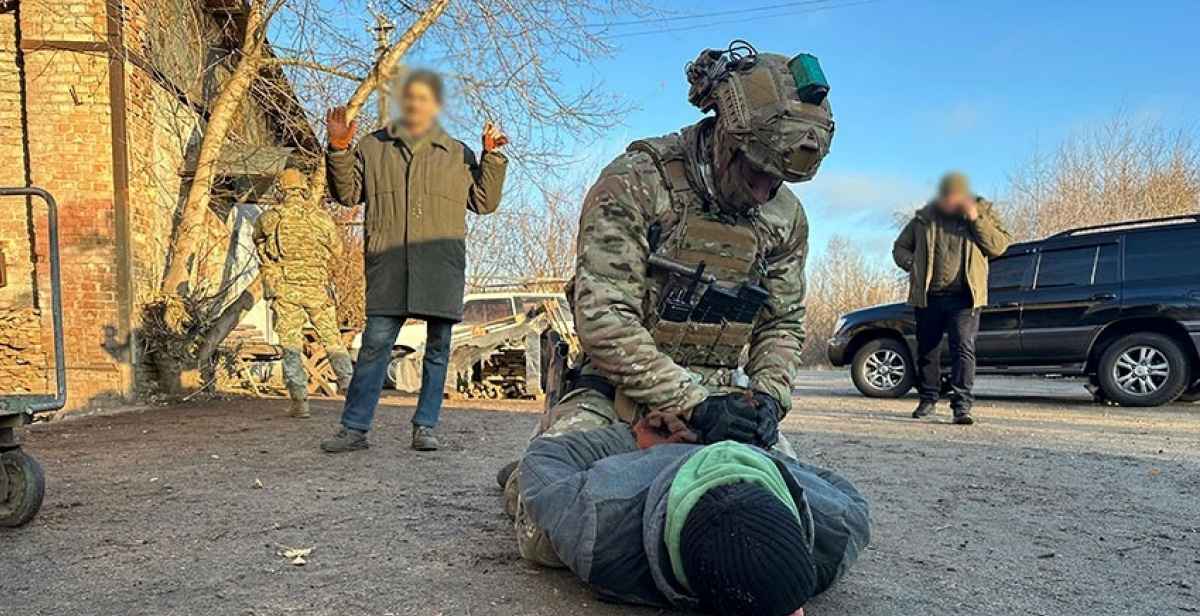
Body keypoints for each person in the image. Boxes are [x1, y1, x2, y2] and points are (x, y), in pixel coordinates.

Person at [537, 43, 834, 449]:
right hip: (617, 391)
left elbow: (782, 323)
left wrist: (768, 397)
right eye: (756, 172)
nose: (765, 193)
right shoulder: (637, 183)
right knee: (554, 487)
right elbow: (603, 316)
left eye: (779, 181)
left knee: (781, 497)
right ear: (728, 139)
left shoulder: (785, 218)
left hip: (722, 402)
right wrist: (694, 404)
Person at [512, 412, 870, 616]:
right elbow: (544, 457)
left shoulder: (838, 526)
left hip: (734, 449)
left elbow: (843, 490)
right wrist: (632, 438)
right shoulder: (600, 528)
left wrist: (755, 450)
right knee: (539, 540)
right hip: (645, 459)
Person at [320, 70, 508, 453]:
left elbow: (484, 203)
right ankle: (355, 429)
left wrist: (492, 157)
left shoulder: (457, 154)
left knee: (437, 350)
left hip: (441, 267)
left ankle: (426, 426)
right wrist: (339, 151)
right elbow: (346, 195)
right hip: (390, 267)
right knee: (374, 347)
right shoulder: (373, 148)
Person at [893, 172, 1011, 425]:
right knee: (927, 350)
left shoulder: (983, 212)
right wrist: (913, 264)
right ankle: (927, 399)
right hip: (929, 296)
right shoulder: (924, 219)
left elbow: (999, 246)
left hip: (965, 297)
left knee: (963, 349)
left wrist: (976, 220)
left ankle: (962, 406)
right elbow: (899, 248)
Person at [252, 168, 353, 419]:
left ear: (280, 189)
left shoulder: (269, 218)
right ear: (304, 188)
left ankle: (300, 401)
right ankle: (351, 391)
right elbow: (338, 250)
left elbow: (258, 241)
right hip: (317, 287)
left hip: (285, 288)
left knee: (291, 344)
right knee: (332, 339)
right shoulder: (320, 218)